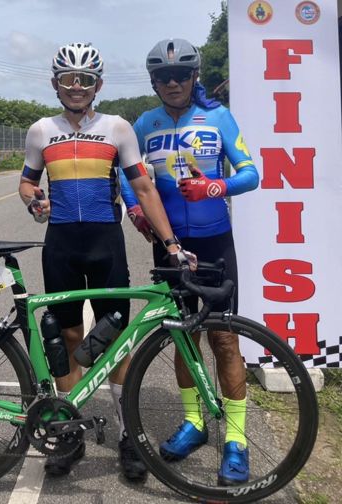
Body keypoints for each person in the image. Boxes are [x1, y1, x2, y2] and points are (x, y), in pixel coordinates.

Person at [19, 42, 196, 481]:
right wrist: (33, 200)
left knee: (116, 341)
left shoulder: (117, 128)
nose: (76, 87)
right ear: (56, 83)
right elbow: (26, 183)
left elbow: (144, 188)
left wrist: (171, 243)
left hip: (106, 245)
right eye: (68, 79)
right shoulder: (41, 130)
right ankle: (70, 433)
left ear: (98, 85)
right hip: (61, 245)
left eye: (85, 80)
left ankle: (127, 435)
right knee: (66, 338)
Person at [121, 38, 259, 485]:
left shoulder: (218, 117)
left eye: (181, 74)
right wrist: (136, 208)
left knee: (224, 339)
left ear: (194, 76)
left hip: (215, 243)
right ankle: (194, 422)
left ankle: (235, 438)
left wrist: (214, 187)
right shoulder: (145, 124)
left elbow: (251, 174)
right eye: (163, 76)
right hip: (170, 246)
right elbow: (124, 173)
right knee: (183, 336)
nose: (173, 82)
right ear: (153, 81)